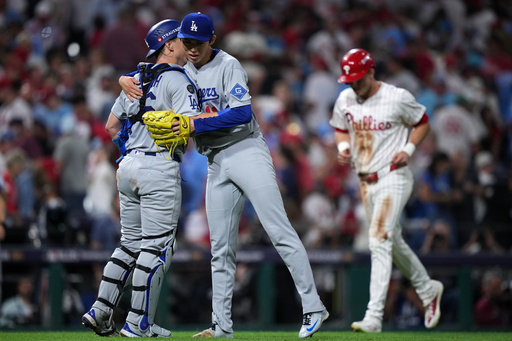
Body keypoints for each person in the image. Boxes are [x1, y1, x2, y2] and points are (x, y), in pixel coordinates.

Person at [121, 12, 328, 339]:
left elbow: (242, 112)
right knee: (220, 248)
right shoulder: (181, 69)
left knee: (278, 229)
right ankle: (221, 326)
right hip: (215, 159)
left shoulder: (228, 64)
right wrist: (125, 80)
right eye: (186, 42)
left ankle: (314, 307)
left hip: (246, 150)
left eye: (197, 43)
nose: (190, 48)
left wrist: (193, 124)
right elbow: (149, 74)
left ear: (211, 40)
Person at [81, 19, 201, 338]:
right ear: (169, 45)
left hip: (128, 166)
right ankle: (138, 322)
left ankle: (101, 310)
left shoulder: (135, 78)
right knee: (157, 247)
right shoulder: (178, 79)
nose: (187, 44)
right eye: (180, 39)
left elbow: (110, 125)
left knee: (130, 244)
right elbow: (192, 123)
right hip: (158, 167)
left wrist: (131, 146)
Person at [329, 48, 444, 332]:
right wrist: (343, 147)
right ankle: (427, 289)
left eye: (358, 78)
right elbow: (340, 127)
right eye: (350, 79)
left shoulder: (397, 97)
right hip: (366, 182)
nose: (354, 84)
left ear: (371, 72)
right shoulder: (345, 98)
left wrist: (409, 148)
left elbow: (422, 122)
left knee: (379, 239)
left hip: (394, 177)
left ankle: (374, 316)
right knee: (392, 242)